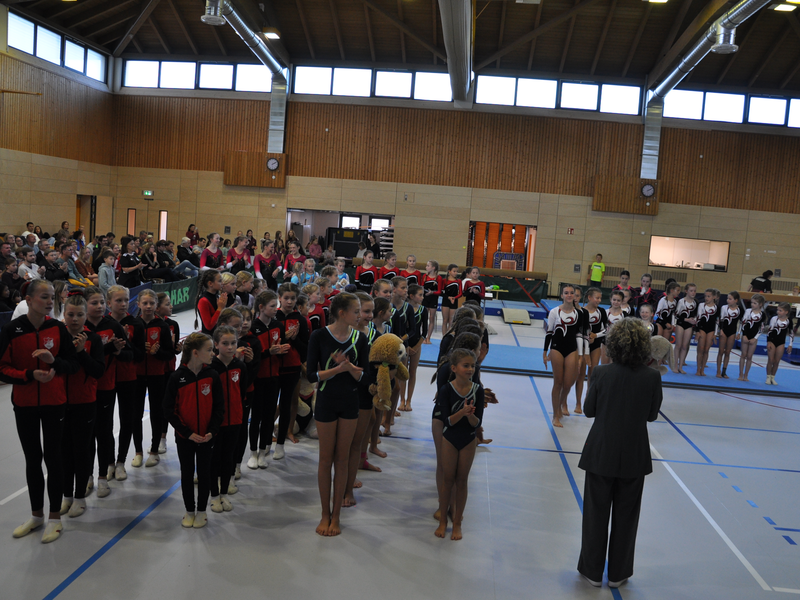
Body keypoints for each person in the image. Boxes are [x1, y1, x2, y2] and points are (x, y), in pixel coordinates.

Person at [577, 317, 663, 589]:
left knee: (595, 515)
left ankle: (592, 571)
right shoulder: (652, 376)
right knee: (627, 517)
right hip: (634, 454)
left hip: (601, 452)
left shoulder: (601, 372)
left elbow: (589, 410)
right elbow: (652, 415)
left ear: (613, 344)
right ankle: (618, 573)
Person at [0, 279, 80, 543]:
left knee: (53, 458)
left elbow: (72, 364)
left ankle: (55, 518)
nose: (50, 301)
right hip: (24, 404)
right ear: (29, 300)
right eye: (44, 297)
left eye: (51, 297)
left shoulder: (57, 328)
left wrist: (53, 362)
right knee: (32, 459)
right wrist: (28, 375)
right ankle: (36, 516)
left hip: (54, 402)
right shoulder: (11, 330)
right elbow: (2, 368)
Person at [306, 292, 368, 536]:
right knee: (325, 459)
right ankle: (325, 514)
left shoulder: (360, 339)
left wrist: (349, 368)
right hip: (326, 402)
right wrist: (336, 370)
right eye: (356, 311)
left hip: (350, 403)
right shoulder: (319, 336)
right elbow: (311, 375)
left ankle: (337, 516)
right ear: (342, 313)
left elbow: (366, 377)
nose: (360, 315)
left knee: (342, 459)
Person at [163, 332, 223, 529]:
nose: (213, 353)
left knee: (205, 473)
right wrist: (187, 433)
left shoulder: (212, 375)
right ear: (195, 353)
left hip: (207, 437)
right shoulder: (176, 378)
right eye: (209, 350)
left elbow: (219, 407)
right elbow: (169, 410)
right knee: (187, 473)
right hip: (185, 438)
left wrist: (212, 431)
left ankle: (202, 511)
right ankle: (189, 511)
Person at [61, 293, 105, 517]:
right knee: (64, 452)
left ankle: (80, 497)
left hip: (85, 402)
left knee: (81, 450)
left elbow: (98, 371)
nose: (75, 319)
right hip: (59, 402)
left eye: (79, 315)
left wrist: (81, 353)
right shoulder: (58, 337)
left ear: (85, 316)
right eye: (71, 314)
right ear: (64, 314)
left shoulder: (93, 340)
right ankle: (66, 496)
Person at [434, 348, 484, 541]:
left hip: (468, 439)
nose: (470, 369)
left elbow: (477, 423)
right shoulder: (446, 390)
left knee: (462, 481)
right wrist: (462, 412)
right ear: (454, 368)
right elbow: (447, 421)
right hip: (449, 438)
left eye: (473, 366)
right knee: (448, 480)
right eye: (466, 365)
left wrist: (470, 416)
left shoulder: (477, 390)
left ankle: (457, 523)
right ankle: (442, 522)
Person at [208, 326, 247, 514]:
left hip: (236, 420)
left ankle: (224, 493)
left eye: (233, 343)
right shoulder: (210, 368)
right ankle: (214, 496)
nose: (230, 347)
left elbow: (242, 390)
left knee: (228, 458)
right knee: (214, 459)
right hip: (217, 423)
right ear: (216, 345)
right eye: (225, 343)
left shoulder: (240, 366)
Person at [247, 292, 288, 469]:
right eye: (272, 306)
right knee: (256, 417)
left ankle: (263, 450)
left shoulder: (278, 326)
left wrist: (283, 349)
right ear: (261, 307)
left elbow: (281, 350)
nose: (276, 309)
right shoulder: (252, 328)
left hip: (274, 378)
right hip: (257, 379)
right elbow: (252, 357)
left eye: (276, 305)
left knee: (269, 416)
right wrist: (267, 353)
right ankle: (253, 452)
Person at [135, 289, 174, 468]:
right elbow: (129, 353)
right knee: (136, 414)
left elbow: (169, 354)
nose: (148, 306)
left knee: (156, 412)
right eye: (145, 303)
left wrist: (157, 353)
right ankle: (138, 451)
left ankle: (154, 450)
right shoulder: (134, 324)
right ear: (138, 304)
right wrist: (139, 350)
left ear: (156, 305)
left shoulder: (163, 326)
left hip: (157, 375)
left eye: (152, 303)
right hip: (136, 376)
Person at [274, 282, 309, 457]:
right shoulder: (273, 317)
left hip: (292, 368)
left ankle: (285, 436)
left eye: (292, 298)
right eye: (286, 298)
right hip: (273, 368)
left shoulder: (301, 320)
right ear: (279, 298)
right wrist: (283, 337)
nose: (289, 302)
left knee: (288, 403)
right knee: (271, 404)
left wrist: (294, 340)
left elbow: (305, 350)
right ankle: (265, 436)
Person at [543, 284, 583, 428]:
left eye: (572, 293)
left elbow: (580, 335)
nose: (569, 295)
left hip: (572, 349)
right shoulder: (555, 312)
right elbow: (549, 332)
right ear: (562, 295)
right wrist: (544, 352)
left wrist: (581, 356)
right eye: (566, 293)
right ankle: (555, 415)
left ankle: (560, 404)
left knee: (568, 383)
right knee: (558, 382)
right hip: (556, 348)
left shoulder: (579, 313)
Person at [738, 293, 766, 382]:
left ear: (760, 304)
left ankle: (746, 375)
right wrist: (743, 335)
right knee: (743, 355)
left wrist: (755, 338)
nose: (752, 304)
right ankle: (740, 374)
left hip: (754, 337)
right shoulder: (748, 311)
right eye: (752, 303)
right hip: (745, 335)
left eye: (755, 303)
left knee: (749, 357)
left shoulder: (762, 314)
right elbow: (743, 323)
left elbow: (762, 328)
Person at [766, 302, 794, 385]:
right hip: (772, 341)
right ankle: (768, 377)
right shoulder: (774, 319)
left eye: (780, 310)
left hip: (781, 342)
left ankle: (773, 377)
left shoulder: (789, 321)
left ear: (786, 312)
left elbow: (791, 333)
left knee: (777, 361)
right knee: (771, 360)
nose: (778, 312)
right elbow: (770, 331)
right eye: (777, 310)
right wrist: (768, 342)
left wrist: (790, 344)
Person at [716, 292, 742, 379]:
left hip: (732, 332)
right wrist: (721, 330)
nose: (728, 300)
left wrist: (739, 333)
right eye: (727, 298)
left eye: (730, 299)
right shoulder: (724, 307)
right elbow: (721, 319)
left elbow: (741, 322)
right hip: (724, 331)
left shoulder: (739, 309)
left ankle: (724, 371)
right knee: (721, 351)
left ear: (736, 300)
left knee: (727, 352)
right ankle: (718, 371)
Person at [673, 283, 698, 374]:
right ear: (686, 291)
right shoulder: (681, 301)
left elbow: (696, 315)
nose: (693, 292)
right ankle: (675, 366)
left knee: (684, 346)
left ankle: (680, 367)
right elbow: (676, 315)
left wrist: (694, 320)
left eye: (694, 291)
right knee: (678, 345)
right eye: (691, 291)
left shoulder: (695, 303)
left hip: (689, 325)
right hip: (680, 324)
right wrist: (687, 319)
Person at [694, 289, 720, 377]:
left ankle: (702, 370)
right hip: (702, 328)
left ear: (714, 297)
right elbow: (698, 318)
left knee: (706, 350)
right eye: (705, 296)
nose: (706, 298)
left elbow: (717, 322)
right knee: (701, 349)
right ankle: (698, 369)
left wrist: (715, 334)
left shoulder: (717, 308)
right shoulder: (702, 305)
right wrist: (697, 331)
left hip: (711, 330)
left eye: (708, 296)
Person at [195, 271, 227, 335]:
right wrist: (220, 308)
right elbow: (209, 326)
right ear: (210, 283)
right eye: (220, 281)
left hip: (219, 334)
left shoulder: (217, 296)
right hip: (209, 337)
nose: (222, 283)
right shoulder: (203, 301)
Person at [422, 260, 442, 343]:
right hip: (425, 299)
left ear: (433, 268)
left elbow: (439, 291)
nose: (426, 267)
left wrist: (432, 292)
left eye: (428, 266)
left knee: (431, 318)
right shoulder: (425, 276)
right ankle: (423, 337)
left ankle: (428, 338)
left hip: (433, 299)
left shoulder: (438, 278)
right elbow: (421, 287)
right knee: (424, 318)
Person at [441, 263, 463, 336]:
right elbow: (441, 292)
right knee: (445, 320)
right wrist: (448, 297)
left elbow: (460, 293)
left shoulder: (458, 281)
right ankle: (444, 336)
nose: (456, 273)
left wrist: (454, 298)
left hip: (454, 301)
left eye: (457, 271)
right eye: (454, 271)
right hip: (446, 300)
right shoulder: (444, 281)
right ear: (449, 271)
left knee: (451, 321)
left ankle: (448, 336)